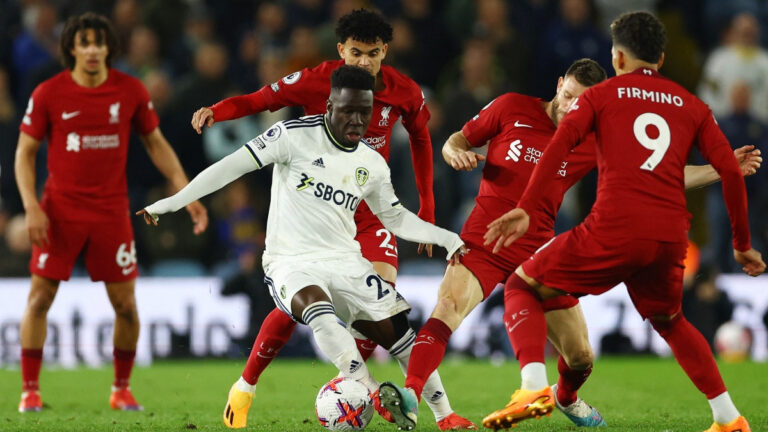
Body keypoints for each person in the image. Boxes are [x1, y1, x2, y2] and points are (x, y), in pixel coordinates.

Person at [376, 58, 762, 431]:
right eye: (569, 96)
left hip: (538, 255)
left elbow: (663, 174)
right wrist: (455, 151)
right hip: (485, 240)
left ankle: (565, 396)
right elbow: (457, 138)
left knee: (580, 358)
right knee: (447, 308)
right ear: (560, 84)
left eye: (583, 101)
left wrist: (722, 167)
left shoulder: (595, 137)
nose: (572, 107)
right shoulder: (511, 107)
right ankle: (409, 394)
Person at [139, 65, 467, 430]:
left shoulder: (371, 163)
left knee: (399, 333)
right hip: (290, 260)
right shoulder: (291, 136)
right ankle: (370, 389)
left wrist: (445, 237)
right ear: (329, 105)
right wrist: (173, 202)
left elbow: (395, 217)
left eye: (365, 112)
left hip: (345, 259)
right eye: (348, 111)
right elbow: (229, 169)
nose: (357, 121)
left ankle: (445, 415)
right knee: (317, 308)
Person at [482, 11, 765, 432]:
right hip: (670, 237)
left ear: (616, 58)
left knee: (523, 283)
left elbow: (560, 145)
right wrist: (742, 242)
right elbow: (729, 172)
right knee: (672, 321)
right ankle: (728, 418)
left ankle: (533, 387)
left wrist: (526, 204)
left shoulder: (602, 96)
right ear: (662, 58)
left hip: (614, 229)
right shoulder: (693, 105)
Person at [14, 13, 208, 413]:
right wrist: (31, 206)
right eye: (83, 42)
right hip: (59, 211)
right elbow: (24, 153)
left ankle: (121, 389)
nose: (91, 50)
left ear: (108, 48)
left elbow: (155, 143)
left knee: (125, 305)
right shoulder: (49, 93)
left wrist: (187, 191)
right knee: (38, 299)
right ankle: (29, 390)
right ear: (71, 47)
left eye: (98, 42)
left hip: (110, 212)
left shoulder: (130, 90)